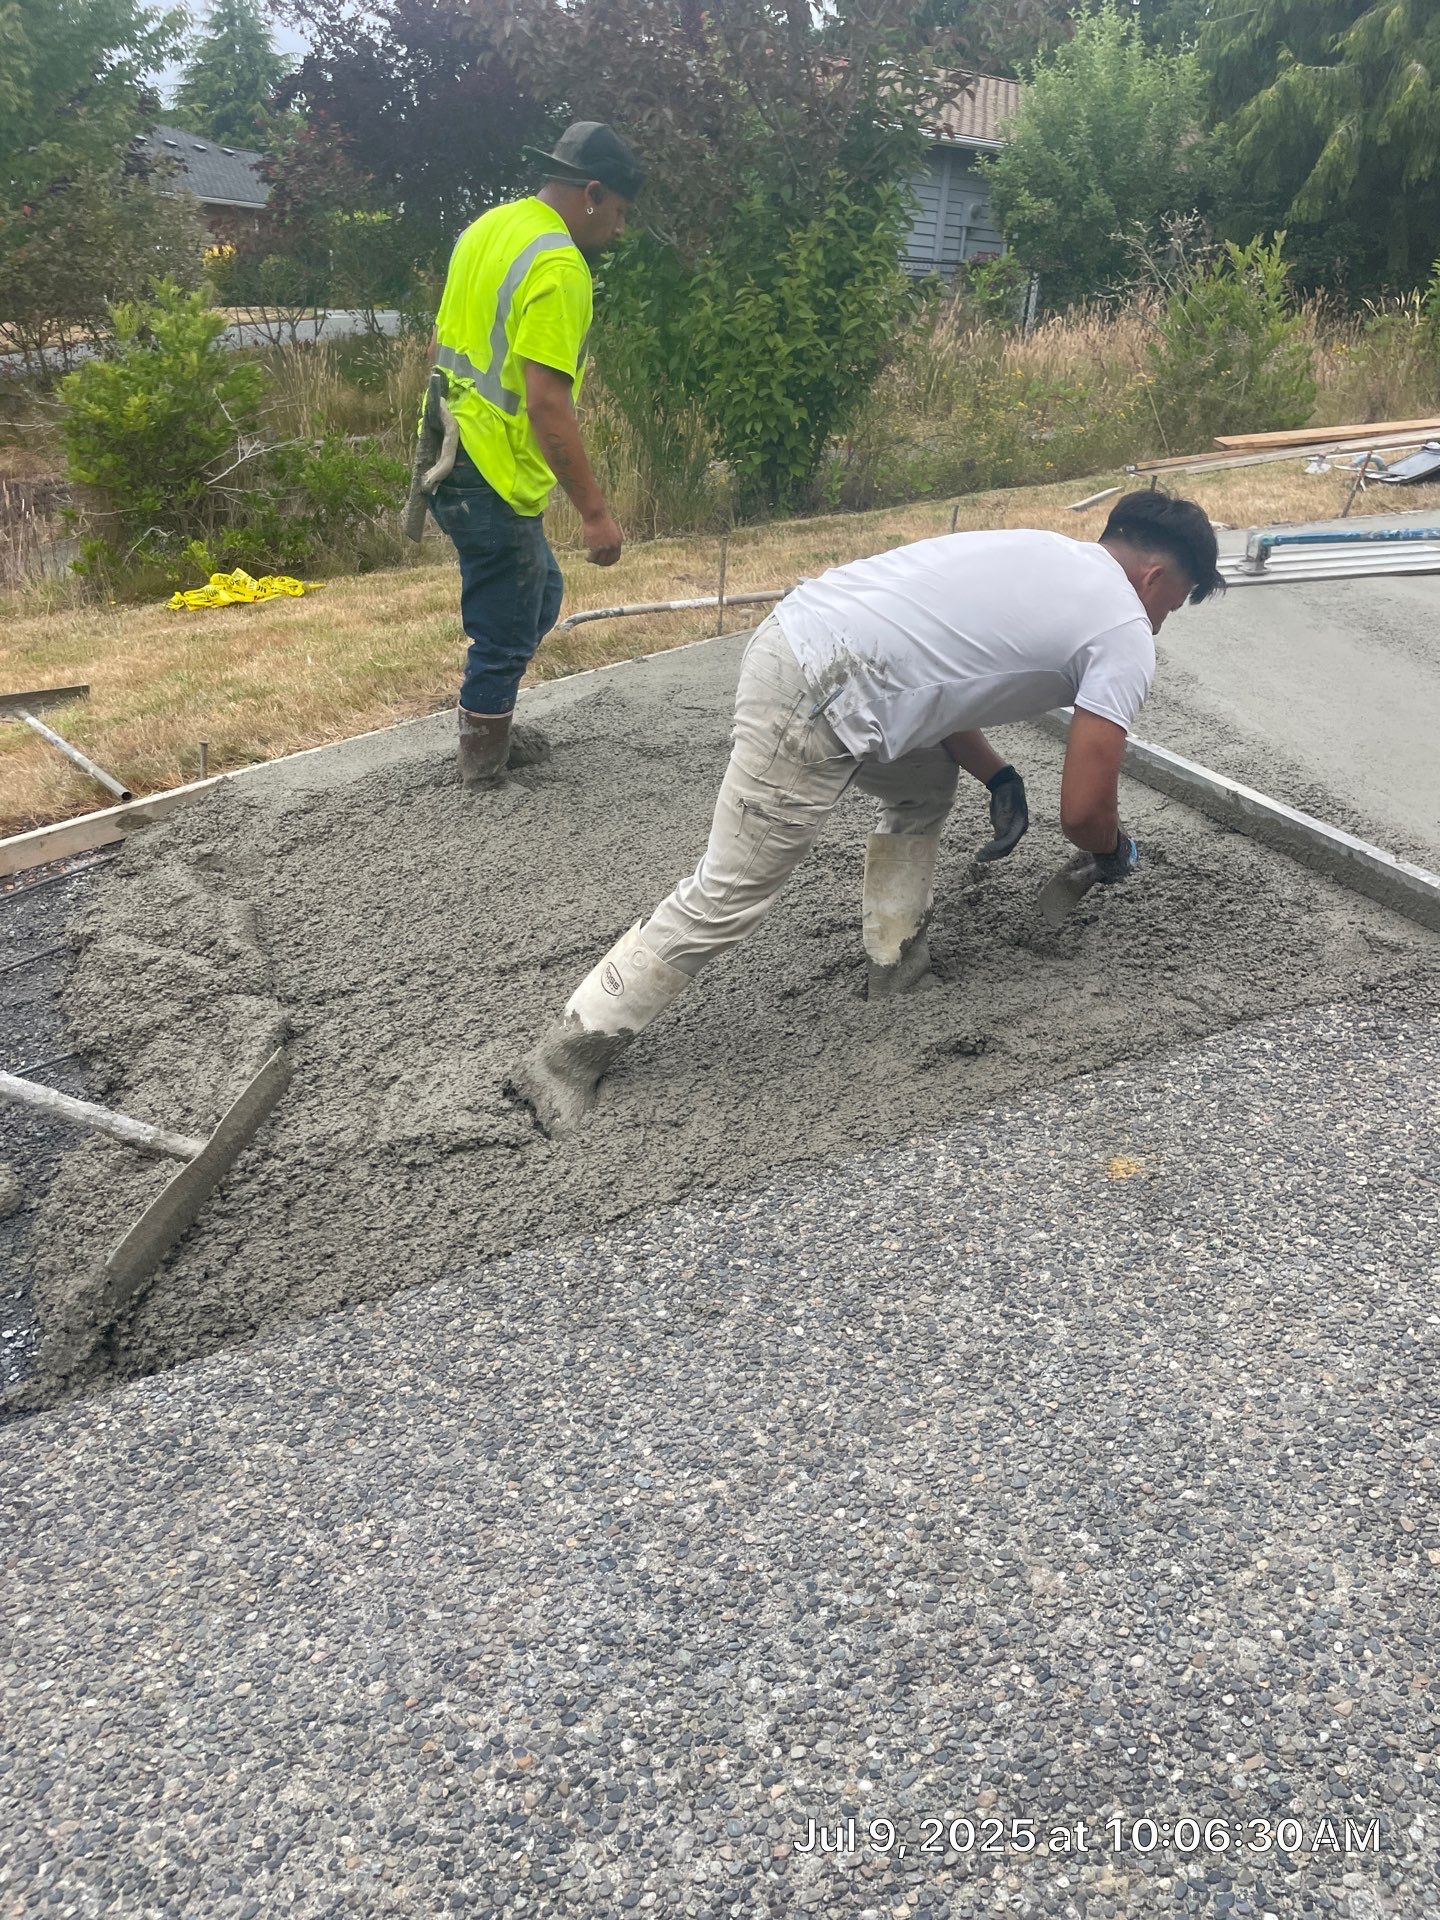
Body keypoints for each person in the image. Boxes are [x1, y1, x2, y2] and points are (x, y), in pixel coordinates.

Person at [514, 489, 1224, 1133]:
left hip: (817, 646)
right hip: (822, 690)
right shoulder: (1124, 628)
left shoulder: (1042, 552)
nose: (1160, 623)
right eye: (1174, 604)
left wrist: (998, 774)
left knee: (923, 791)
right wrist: (1110, 850)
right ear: (1154, 578)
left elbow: (931, 671)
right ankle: (568, 1054)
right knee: (731, 888)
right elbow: (1084, 809)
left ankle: (898, 961)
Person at [415, 122, 644, 789]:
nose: (622, 230)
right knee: (507, 619)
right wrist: (595, 514)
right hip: (484, 462)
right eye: (622, 212)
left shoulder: (488, 227)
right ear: (593, 193)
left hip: (450, 446)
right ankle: (482, 766)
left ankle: (491, 716)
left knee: (539, 590)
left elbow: (440, 341)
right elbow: (547, 402)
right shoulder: (559, 264)